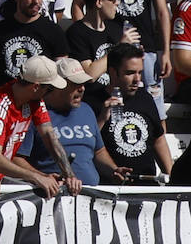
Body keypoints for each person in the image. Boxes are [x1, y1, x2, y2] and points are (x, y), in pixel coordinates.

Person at [0, 55, 82, 195]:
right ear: (36, 87)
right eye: (49, 89)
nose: (49, 94)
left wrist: (69, 175)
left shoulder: (34, 100)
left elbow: (49, 136)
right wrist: (36, 177)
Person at [19, 57, 118, 186]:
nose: (82, 89)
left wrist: (114, 170)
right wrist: (41, 177)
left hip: (92, 197)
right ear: (57, 85)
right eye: (75, 84)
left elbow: (99, 151)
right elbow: (16, 158)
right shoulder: (34, 113)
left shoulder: (86, 110)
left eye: (83, 83)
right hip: (52, 198)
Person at [95, 43, 173, 178]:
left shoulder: (145, 98)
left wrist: (172, 177)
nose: (137, 79)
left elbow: (158, 140)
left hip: (146, 182)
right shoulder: (95, 101)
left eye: (140, 72)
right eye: (130, 73)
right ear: (113, 72)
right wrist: (102, 117)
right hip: (111, 187)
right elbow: (89, 145)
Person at [66, 0, 126, 107]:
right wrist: (120, 47)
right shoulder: (76, 33)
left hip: (117, 98)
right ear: (99, 2)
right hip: (91, 102)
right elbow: (89, 74)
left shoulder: (116, 29)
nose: (117, 3)